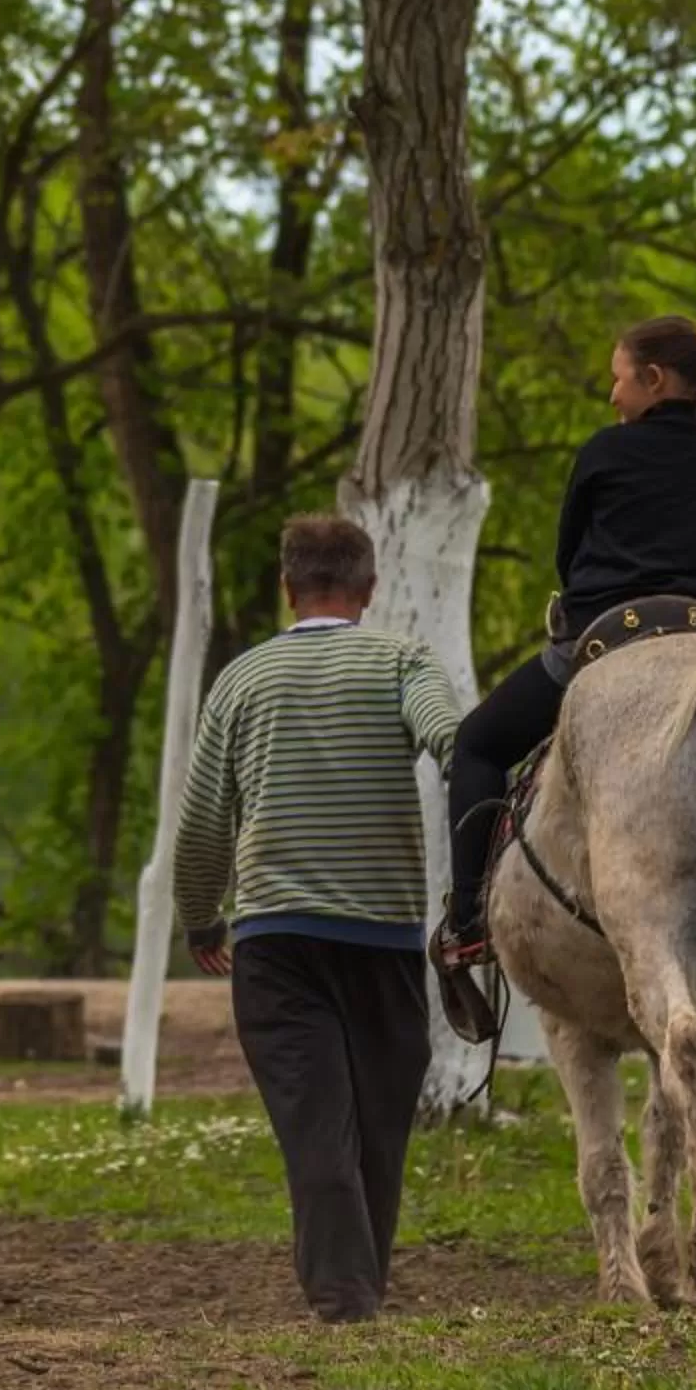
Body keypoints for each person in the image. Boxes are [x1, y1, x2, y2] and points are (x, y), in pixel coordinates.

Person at [173, 515, 465, 1324]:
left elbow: (201, 821)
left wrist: (201, 918)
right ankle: (351, 1293)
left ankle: (349, 1290)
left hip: (276, 942)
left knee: (314, 1121)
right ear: (369, 589)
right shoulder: (403, 660)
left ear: (286, 587)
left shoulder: (242, 680)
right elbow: (452, 739)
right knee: (378, 1123)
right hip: (382, 940)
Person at [434, 315, 696, 982]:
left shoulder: (606, 452)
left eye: (619, 380)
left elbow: (570, 557)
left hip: (606, 646)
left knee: (476, 743)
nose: (613, 397)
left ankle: (468, 926)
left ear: (653, 380)